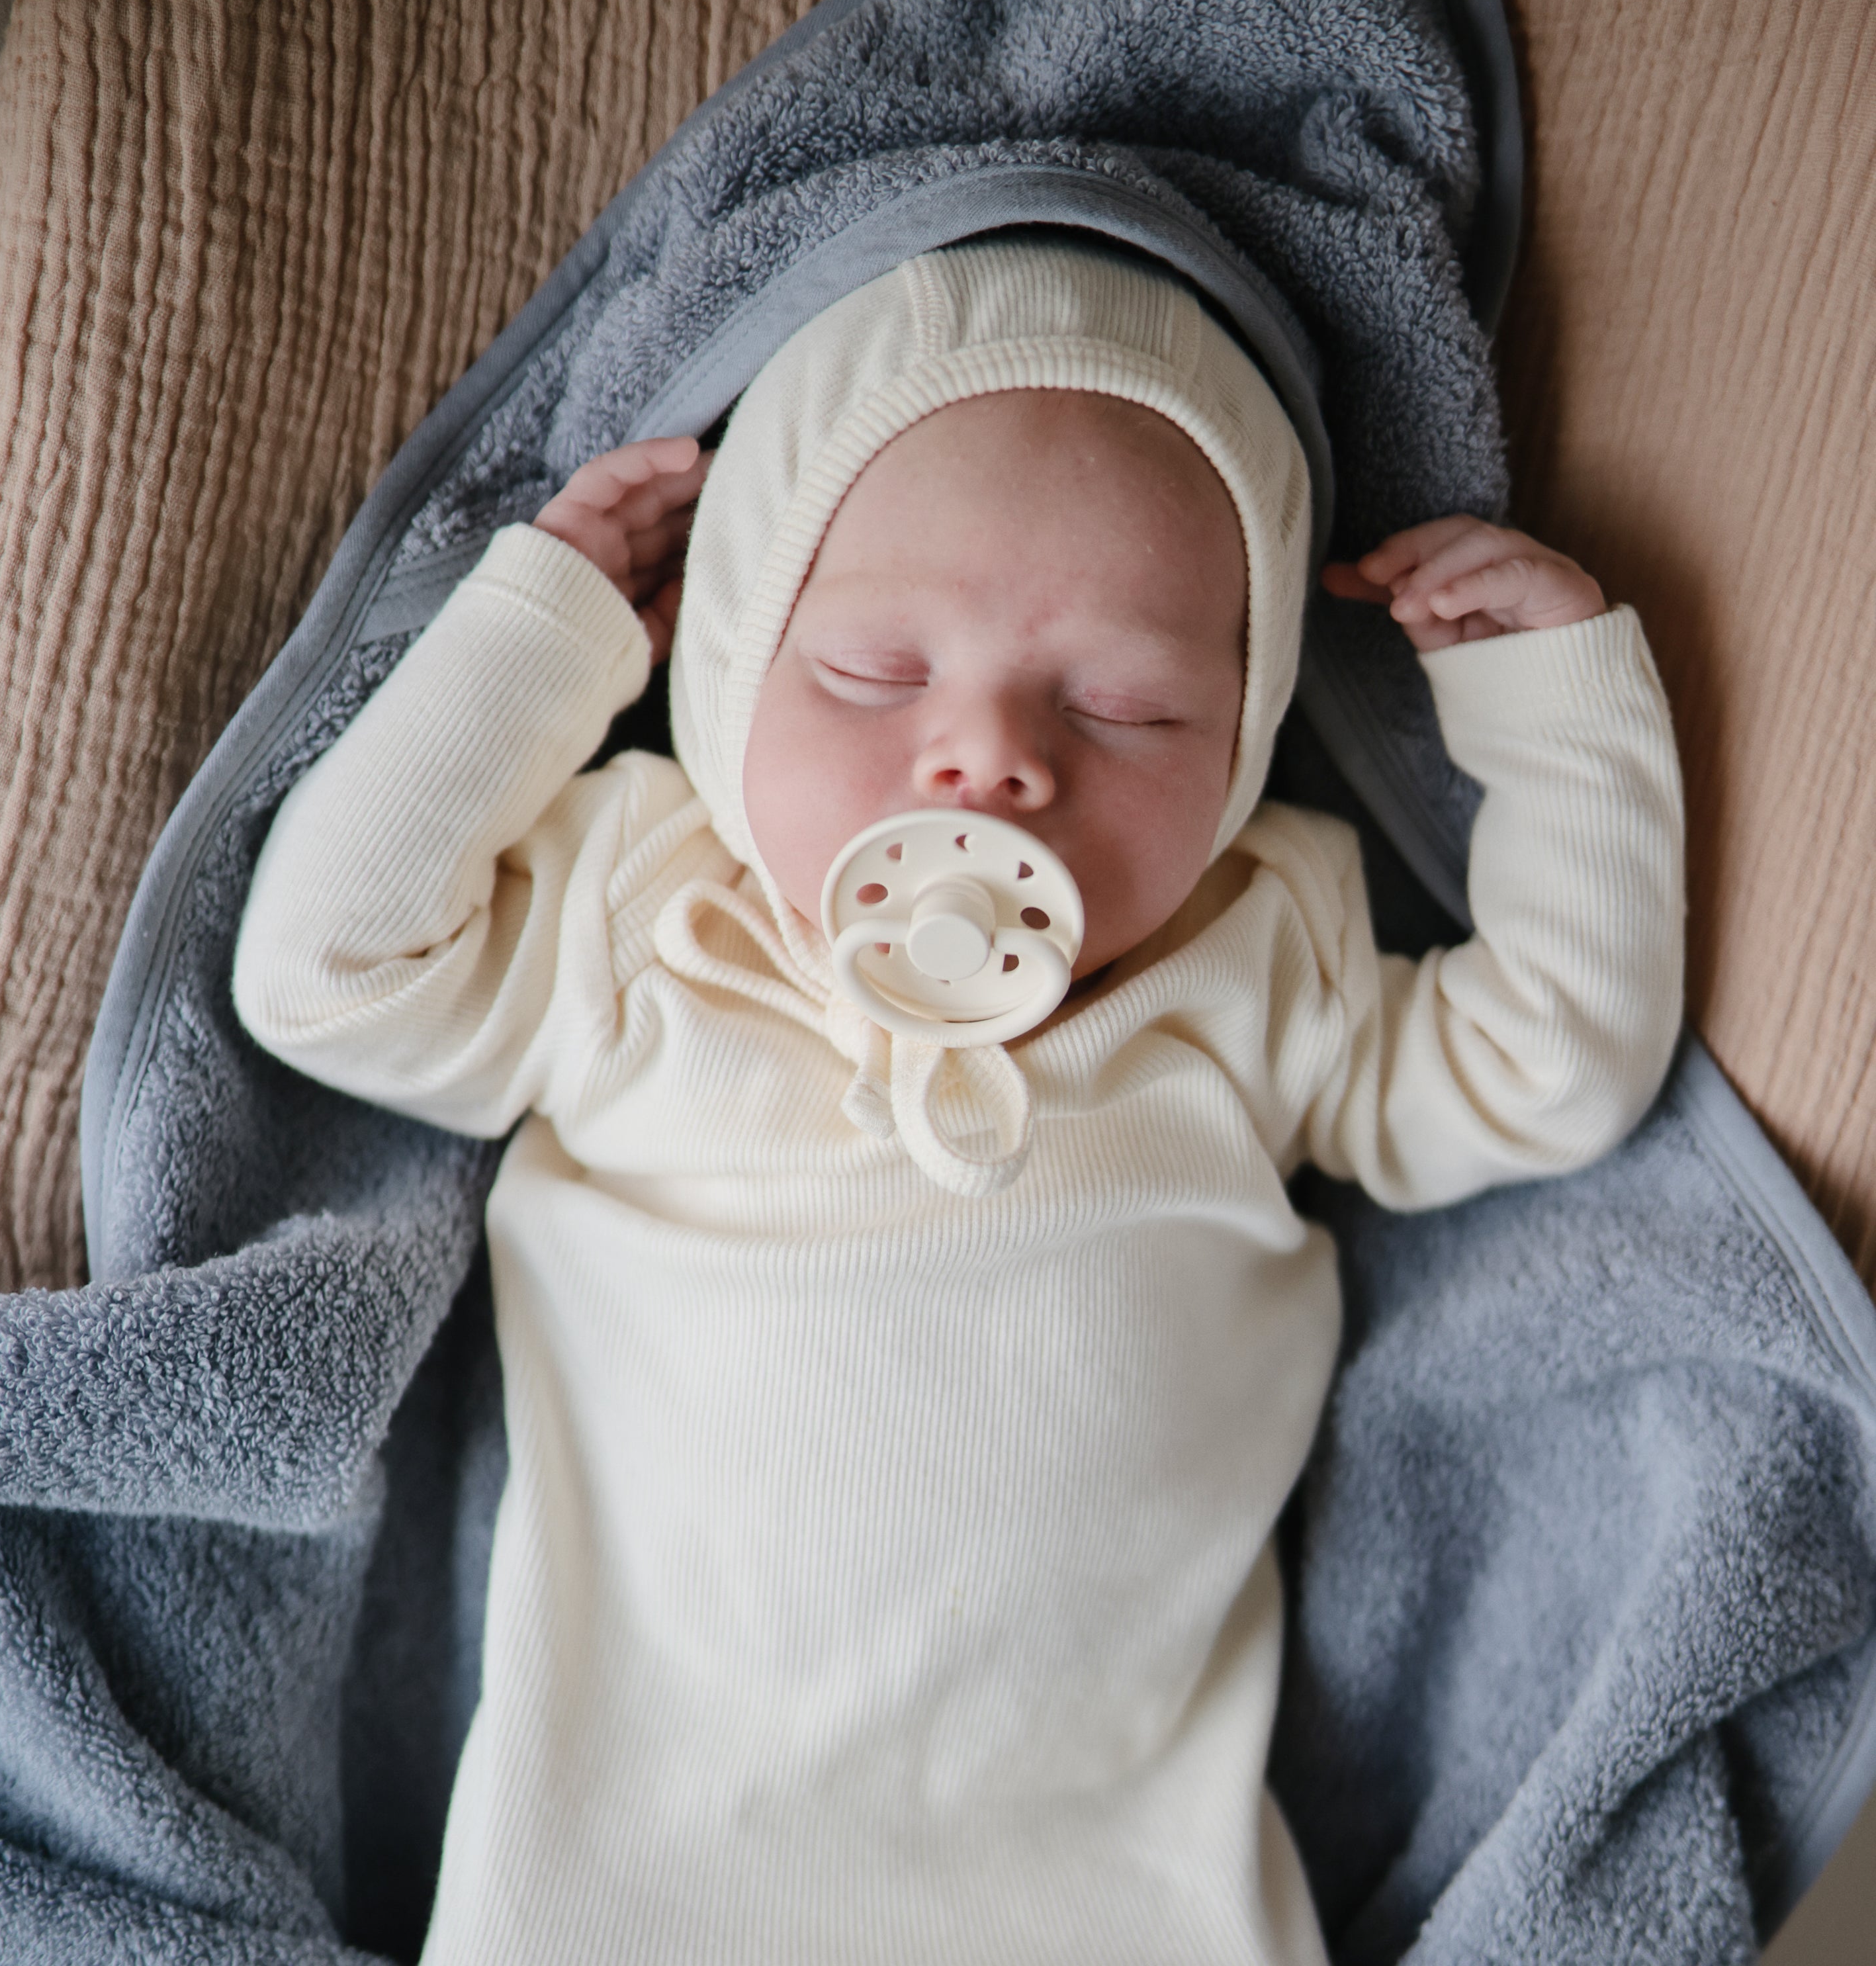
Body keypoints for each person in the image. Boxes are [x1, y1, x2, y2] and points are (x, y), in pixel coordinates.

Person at [234, 234, 1684, 1964]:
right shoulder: (650, 917)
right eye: (875, 673)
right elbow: (324, 973)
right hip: (644, 1854)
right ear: (727, 662)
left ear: (1246, 740)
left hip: (1126, 1870)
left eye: (1128, 704)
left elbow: (1555, 1071)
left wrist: (1558, 709)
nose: (992, 758)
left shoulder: (1259, 954)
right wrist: (541, 637)